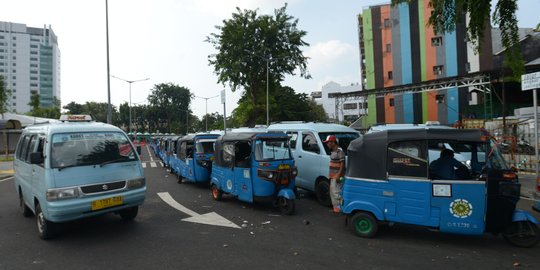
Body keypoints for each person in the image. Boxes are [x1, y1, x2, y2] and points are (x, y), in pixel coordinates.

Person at [324, 135, 345, 213]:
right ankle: (336, 209)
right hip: (333, 176)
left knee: (337, 193)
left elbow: (343, 164)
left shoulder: (339, 151)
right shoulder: (333, 151)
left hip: (337, 176)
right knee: (332, 192)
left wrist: (339, 175)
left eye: (328, 143)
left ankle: (341, 209)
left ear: (333, 142)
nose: (327, 144)